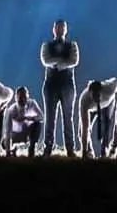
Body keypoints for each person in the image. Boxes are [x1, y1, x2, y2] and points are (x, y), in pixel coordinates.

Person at [40, 18, 80, 156]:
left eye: (62, 27)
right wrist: (63, 62)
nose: (60, 29)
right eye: (58, 27)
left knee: (68, 117)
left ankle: (70, 148)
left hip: (67, 84)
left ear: (66, 30)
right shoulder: (46, 45)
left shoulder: (72, 45)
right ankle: (48, 147)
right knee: (50, 117)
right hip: (51, 84)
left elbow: (74, 61)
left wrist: (57, 63)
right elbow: (45, 60)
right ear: (54, 29)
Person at [77, 77, 117, 158]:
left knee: (106, 124)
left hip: (108, 104)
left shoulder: (109, 88)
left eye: (97, 95)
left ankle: (104, 152)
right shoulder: (84, 100)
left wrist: (104, 83)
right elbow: (84, 126)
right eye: (94, 96)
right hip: (92, 109)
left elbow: (116, 80)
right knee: (81, 130)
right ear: (90, 93)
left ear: (101, 91)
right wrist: (84, 151)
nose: (96, 98)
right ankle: (88, 151)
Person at [3, 86, 44, 155]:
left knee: (38, 124)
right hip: (15, 135)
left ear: (27, 97)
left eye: (24, 97)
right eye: (20, 97)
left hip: (28, 132)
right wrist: (8, 152)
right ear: (16, 98)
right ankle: (12, 150)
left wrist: (28, 118)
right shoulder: (11, 110)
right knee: (4, 143)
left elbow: (41, 117)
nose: (22, 99)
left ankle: (32, 149)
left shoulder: (32, 103)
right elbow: (8, 131)